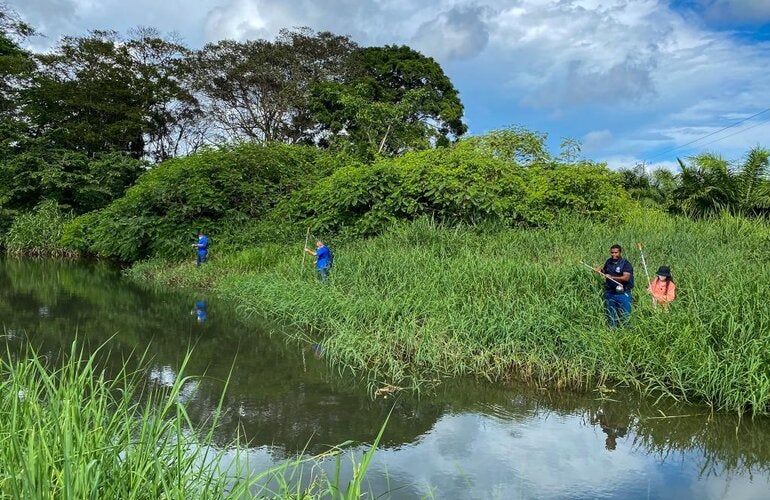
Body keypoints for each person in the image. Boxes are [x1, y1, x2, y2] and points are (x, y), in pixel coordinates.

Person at [594, 244, 634, 327]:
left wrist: (612, 277)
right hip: (610, 293)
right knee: (611, 315)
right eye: (612, 253)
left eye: (616, 252)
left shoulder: (625, 264)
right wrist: (600, 270)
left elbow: (626, 277)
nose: (614, 254)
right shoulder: (609, 261)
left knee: (625, 315)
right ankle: (612, 330)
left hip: (623, 293)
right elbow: (605, 272)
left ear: (620, 252)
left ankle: (626, 331)